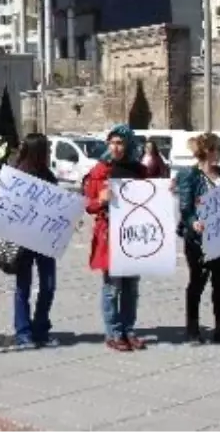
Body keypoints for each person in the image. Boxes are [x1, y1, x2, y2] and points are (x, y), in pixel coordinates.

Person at [84, 124, 149, 352]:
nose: (116, 147)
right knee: (112, 287)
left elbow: (151, 199)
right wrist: (100, 200)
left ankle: (128, 330)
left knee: (131, 286)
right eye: (112, 142)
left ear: (129, 144)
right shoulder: (100, 170)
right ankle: (113, 332)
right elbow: (88, 205)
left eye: (120, 143)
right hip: (109, 235)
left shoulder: (140, 171)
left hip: (133, 235)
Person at [176, 133, 220, 346]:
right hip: (199, 239)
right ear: (209, 151)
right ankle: (192, 327)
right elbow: (185, 207)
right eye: (219, 149)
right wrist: (193, 222)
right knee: (197, 282)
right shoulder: (190, 175)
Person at [9, 133, 60, 349]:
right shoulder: (18, 175)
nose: (49, 154)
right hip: (23, 239)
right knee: (23, 286)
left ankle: (40, 328)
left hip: (46, 237)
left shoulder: (48, 174)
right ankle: (23, 332)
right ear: (37, 152)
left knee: (48, 285)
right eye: (46, 150)